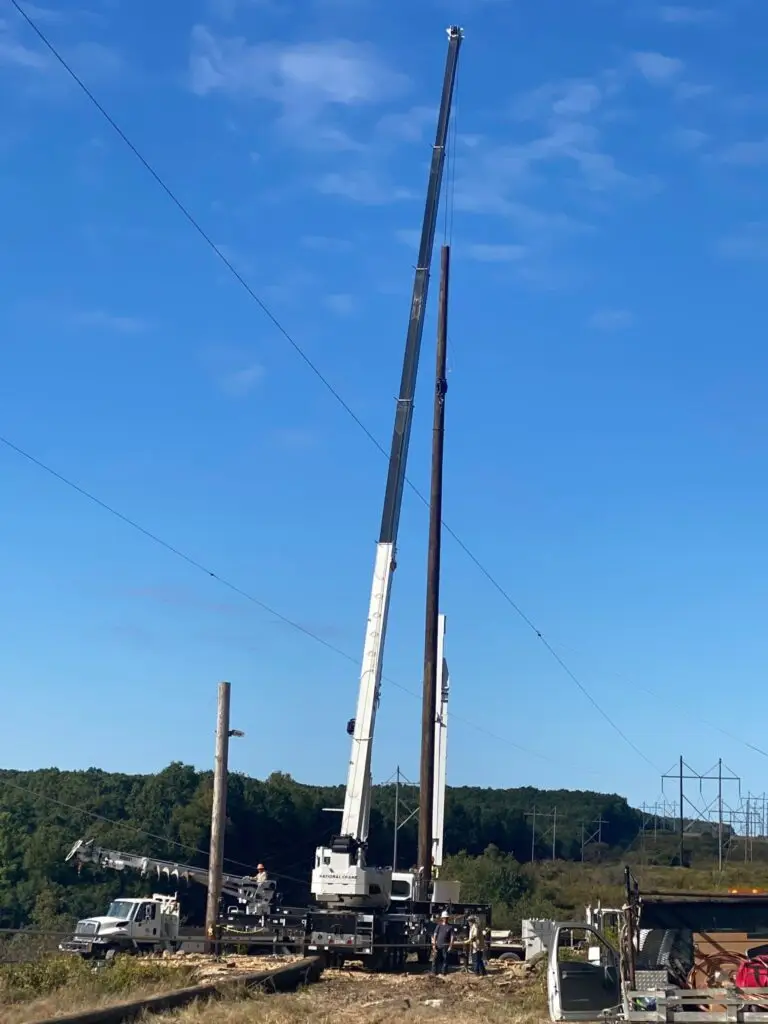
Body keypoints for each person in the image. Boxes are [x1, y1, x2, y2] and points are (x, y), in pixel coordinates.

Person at [431, 910, 454, 975]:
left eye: (446, 918)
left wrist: (450, 946)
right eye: (444, 918)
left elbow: (452, 937)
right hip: (438, 945)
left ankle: (444, 972)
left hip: (445, 946)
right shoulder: (439, 926)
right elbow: (435, 935)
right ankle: (434, 972)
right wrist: (434, 945)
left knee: (445, 959)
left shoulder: (450, 927)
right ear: (442, 918)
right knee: (435, 959)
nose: (445, 919)